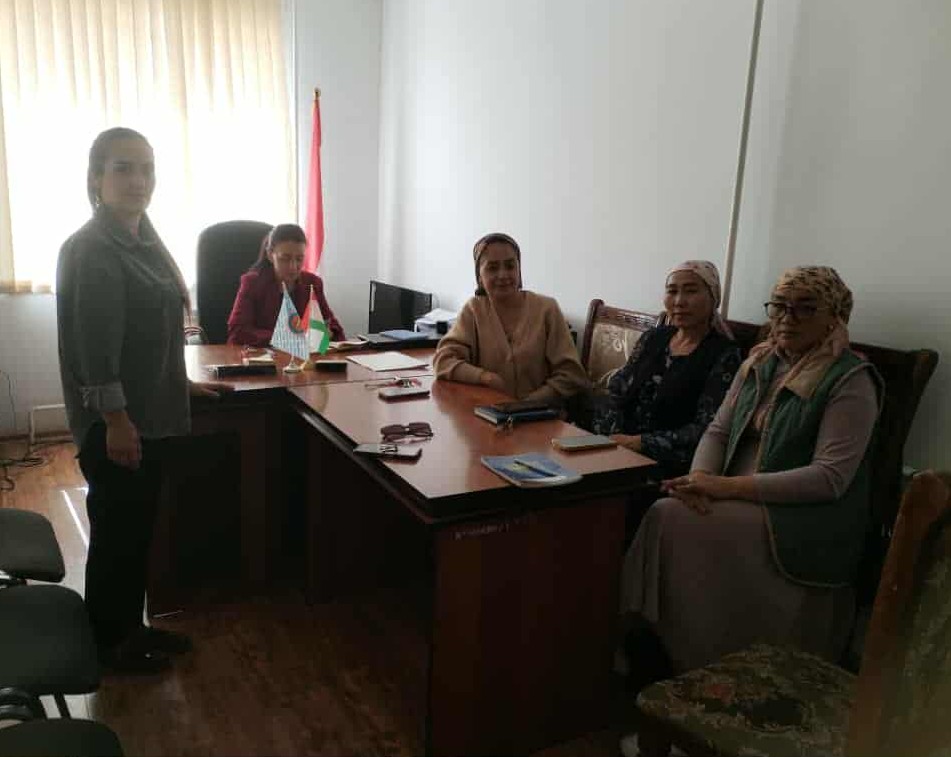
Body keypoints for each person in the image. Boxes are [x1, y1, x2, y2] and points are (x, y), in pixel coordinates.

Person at [620, 266, 881, 679]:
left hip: (798, 516)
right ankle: (659, 643)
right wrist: (698, 482)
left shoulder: (850, 379)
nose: (787, 318)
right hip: (733, 494)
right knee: (671, 508)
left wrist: (723, 487)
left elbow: (829, 478)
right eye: (779, 306)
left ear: (834, 317)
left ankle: (671, 647)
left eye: (805, 308)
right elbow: (718, 431)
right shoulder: (761, 361)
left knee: (665, 516)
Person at [57, 127, 229, 674]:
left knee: (135, 532)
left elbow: (154, 338)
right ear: (96, 178)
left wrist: (181, 386)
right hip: (118, 424)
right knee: (116, 535)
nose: (139, 180)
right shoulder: (93, 249)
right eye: (123, 168)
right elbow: (95, 351)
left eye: (147, 168)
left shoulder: (144, 240)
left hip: (150, 415)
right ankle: (109, 646)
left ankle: (131, 628)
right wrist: (116, 420)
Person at [585, 261, 741, 479]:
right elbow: (617, 388)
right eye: (672, 291)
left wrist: (641, 443)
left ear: (713, 297)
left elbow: (707, 428)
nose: (679, 301)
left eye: (691, 291)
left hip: (666, 462)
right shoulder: (654, 337)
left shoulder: (724, 354)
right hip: (618, 449)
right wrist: (610, 437)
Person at [433, 232, 589, 403]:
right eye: (492, 268)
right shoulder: (474, 310)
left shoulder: (547, 309)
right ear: (479, 277)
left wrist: (529, 403)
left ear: (519, 270)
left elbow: (571, 374)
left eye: (510, 266)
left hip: (542, 413)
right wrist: (485, 377)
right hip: (488, 413)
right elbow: (443, 361)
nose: (503, 275)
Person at [226, 223, 344, 347]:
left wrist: (328, 332)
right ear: (270, 255)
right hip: (262, 356)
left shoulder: (313, 283)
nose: (293, 267)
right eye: (285, 259)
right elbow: (238, 331)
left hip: (304, 356)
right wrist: (287, 337)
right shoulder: (252, 283)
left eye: (299, 259)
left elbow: (333, 327)